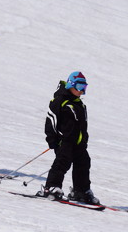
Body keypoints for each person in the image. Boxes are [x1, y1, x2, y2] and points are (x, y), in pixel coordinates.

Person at [36, 71, 99, 205]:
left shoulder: (80, 105)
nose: (82, 91)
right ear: (71, 85)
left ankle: (81, 190)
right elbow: (50, 121)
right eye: (80, 87)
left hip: (79, 143)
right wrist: (52, 140)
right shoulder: (60, 101)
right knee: (62, 162)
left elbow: (83, 126)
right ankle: (51, 187)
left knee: (84, 163)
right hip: (64, 141)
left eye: (84, 88)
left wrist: (84, 140)